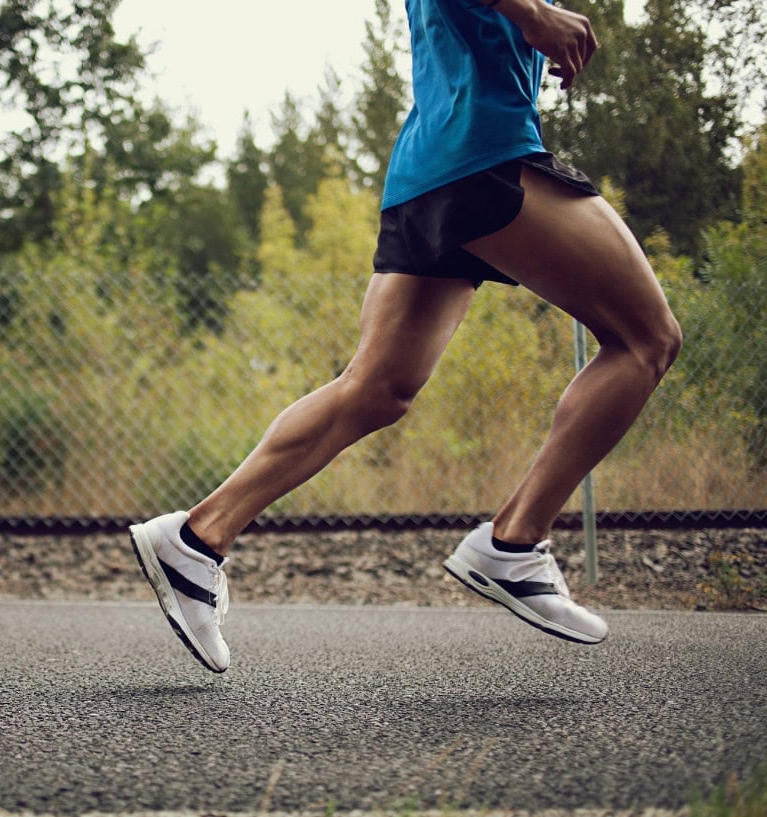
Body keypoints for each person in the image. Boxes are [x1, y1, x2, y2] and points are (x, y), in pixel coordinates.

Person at [129, 0, 682, 672]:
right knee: (647, 339)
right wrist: (535, 15)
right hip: (486, 155)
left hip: (430, 166)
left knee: (375, 389)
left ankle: (196, 538)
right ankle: (514, 542)